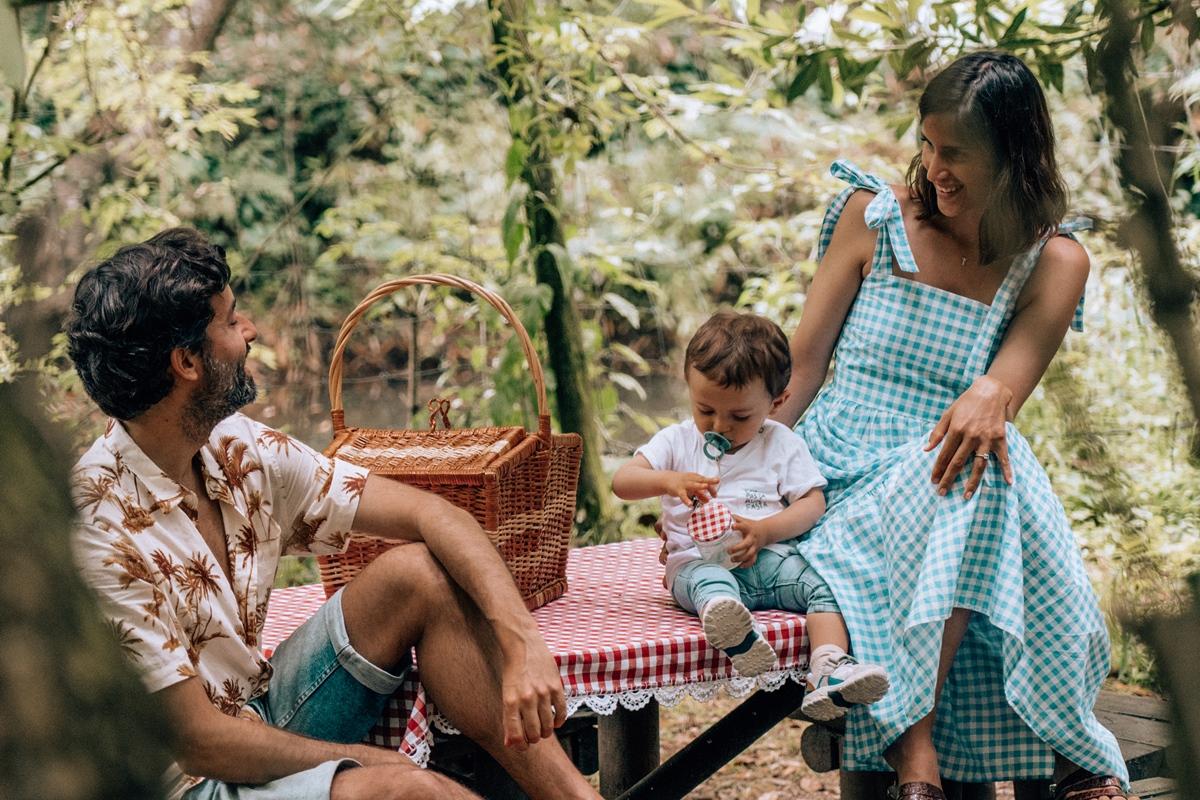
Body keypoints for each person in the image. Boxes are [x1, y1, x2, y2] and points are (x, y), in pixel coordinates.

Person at [66, 228, 600, 800]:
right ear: (186, 361)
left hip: (256, 713)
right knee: (413, 793)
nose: (249, 332)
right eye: (230, 320)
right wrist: (372, 764)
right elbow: (198, 743)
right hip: (182, 780)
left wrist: (523, 644)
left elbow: (432, 514)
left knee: (416, 574)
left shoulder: (235, 447)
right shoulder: (99, 530)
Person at [775, 51, 1130, 799]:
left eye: (957, 153)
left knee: (977, 465)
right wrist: (734, 465)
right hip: (846, 466)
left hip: (951, 458)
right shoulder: (871, 217)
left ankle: (922, 756)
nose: (936, 168)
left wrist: (990, 393)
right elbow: (802, 369)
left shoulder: (1054, 261)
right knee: (978, 474)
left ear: (1013, 155)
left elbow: (1009, 384)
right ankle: (1036, 761)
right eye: (929, 145)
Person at [612, 311, 889, 721]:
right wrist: (668, 482)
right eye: (705, 409)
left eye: (739, 416)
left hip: (770, 562)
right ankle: (736, 635)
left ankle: (828, 669)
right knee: (708, 581)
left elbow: (812, 504)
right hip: (699, 562)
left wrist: (764, 531)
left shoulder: (781, 443)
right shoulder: (677, 441)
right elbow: (623, 481)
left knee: (825, 586)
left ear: (777, 402)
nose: (719, 425)